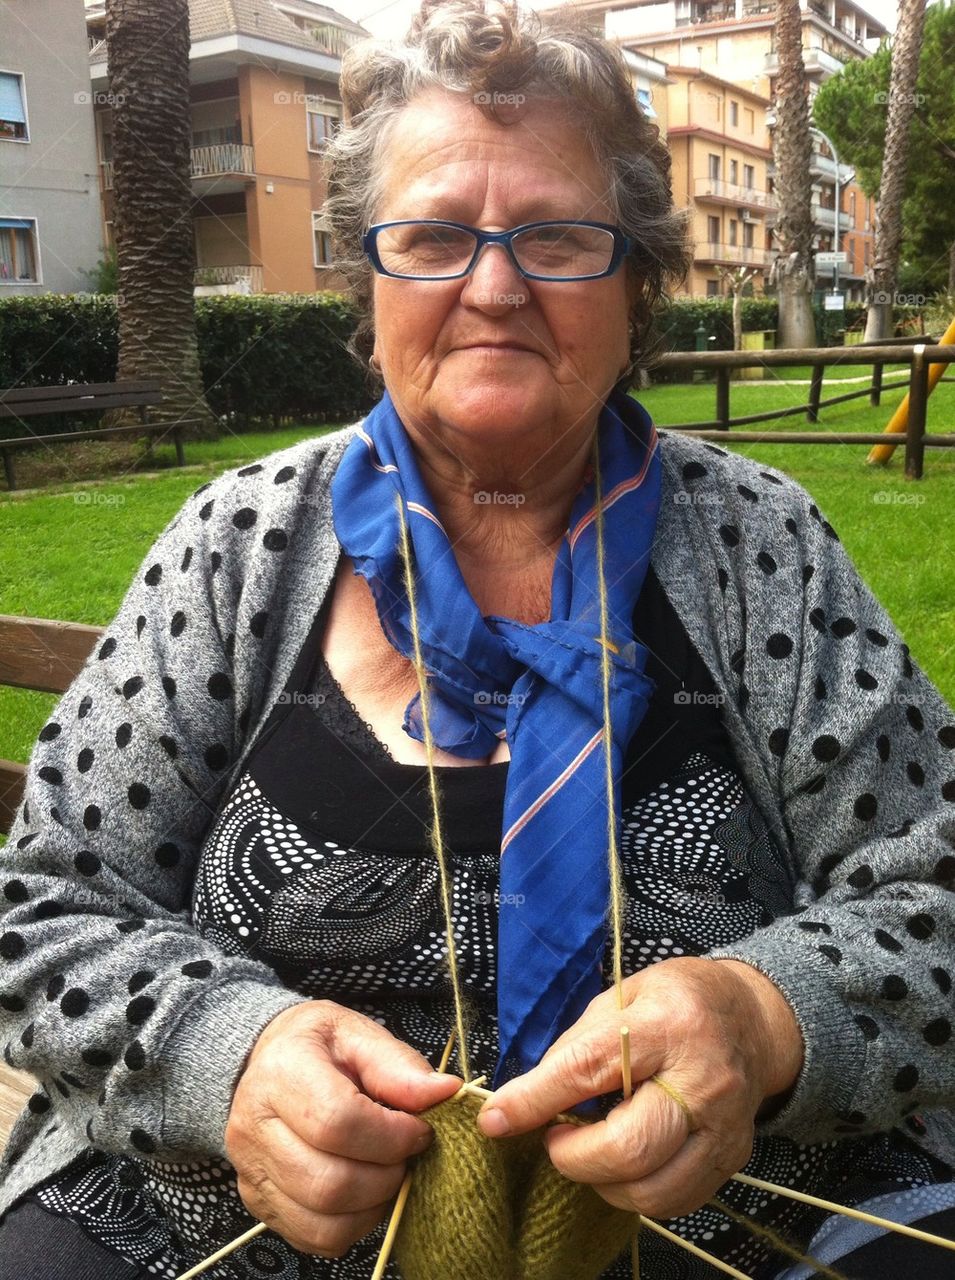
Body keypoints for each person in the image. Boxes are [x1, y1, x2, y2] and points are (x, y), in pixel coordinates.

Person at [0, 3, 954, 1278]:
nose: (493, 285)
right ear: (367, 279)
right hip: (225, 1222)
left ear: (637, 280)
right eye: (436, 237)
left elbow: (934, 888)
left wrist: (766, 1014)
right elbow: (46, 895)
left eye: (557, 237)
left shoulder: (758, 546)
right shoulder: (239, 545)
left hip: (735, 1223)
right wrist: (222, 1053)